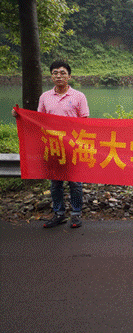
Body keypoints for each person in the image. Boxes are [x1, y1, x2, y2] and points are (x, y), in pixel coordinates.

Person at [12, 60, 90, 229]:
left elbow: (84, 122)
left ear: (69, 76)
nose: (59, 76)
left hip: (72, 147)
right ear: (51, 76)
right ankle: (59, 214)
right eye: (55, 73)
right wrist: (20, 115)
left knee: (75, 183)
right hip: (52, 147)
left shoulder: (79, 96)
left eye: (62, 73)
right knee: (55, 183)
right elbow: (38, 120)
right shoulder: (45, 97)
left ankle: (76, 214)